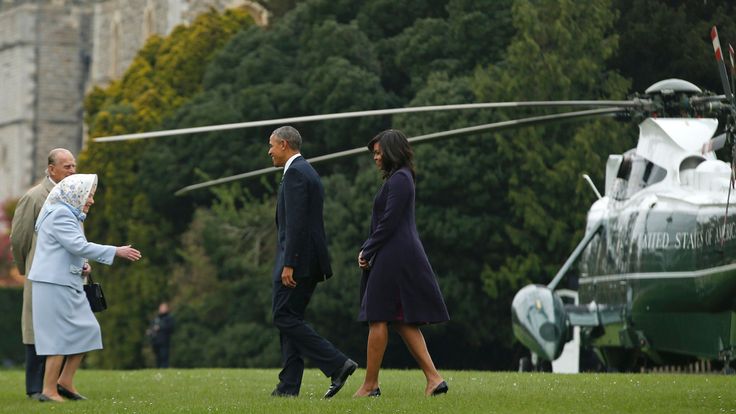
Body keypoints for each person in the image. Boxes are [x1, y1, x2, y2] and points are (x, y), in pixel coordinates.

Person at [27, 174, 142, 402]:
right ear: (76, 194)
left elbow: (67, 249)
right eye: (89, 195)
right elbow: (77, 244)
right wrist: (115, 251)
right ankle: (49, 391)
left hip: (66, 282)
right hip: (54, 284)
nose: (91, 200)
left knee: (88, 329)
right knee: (58, 337)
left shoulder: (66, 212)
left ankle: (65, 382)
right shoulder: (61, 213)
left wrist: (82, 266)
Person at [353, 129, 450, 398]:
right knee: (401, 320)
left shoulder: (400, 180)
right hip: (395, 254)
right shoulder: (401, 178)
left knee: (378, 316)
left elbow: (389, 221)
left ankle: (370, 385)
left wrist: (367, 249)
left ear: (392, 151)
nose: (375, 158)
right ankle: (434, 379)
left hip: (394, 256)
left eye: (378, 152)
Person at [267, 126, 357, 398]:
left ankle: (337, 364)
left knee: (283, 316)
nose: (269, 151)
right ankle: (288, 387)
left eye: (271, 145)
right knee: (290, 318)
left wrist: (290, 263)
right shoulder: (307, 170)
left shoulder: (295, 173)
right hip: (308, 261)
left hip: (297, 262)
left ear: (284, 144)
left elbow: (296, 225)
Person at [10, 148, 76, 400]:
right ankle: (35, 388)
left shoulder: (73, 196)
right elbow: (20, 238)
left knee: (66, 330)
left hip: (66, 275)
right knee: (37, 331)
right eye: (67, 166)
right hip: (40, 275)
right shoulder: (35, 196)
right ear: (51, 169)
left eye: (74, 166)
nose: (72, 171)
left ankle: (60, 384)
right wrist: (27, 267)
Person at [147, 302, 175, 368]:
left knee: (164, 357)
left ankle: (164, 370)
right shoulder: (157, 318)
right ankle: (158, 369)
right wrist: (150, 331)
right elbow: (152, 326)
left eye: (164, 308)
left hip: (164, 341)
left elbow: (170, 327)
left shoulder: (169, 318)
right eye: (161, 308)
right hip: (156, 341)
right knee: (158, 358)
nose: (162, 309)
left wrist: (160, 327)